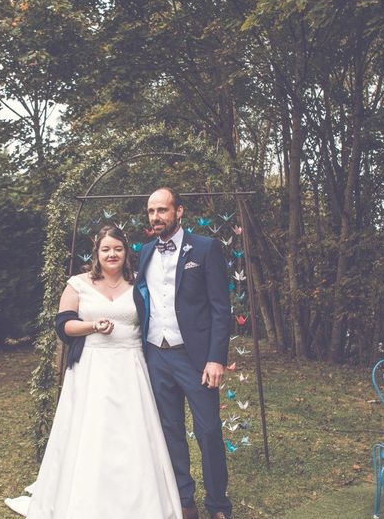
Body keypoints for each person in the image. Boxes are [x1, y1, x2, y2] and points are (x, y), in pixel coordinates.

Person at [6, 225, 181, 518]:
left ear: (126, 253)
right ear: (96, 253)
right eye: (106, 249)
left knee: (133, 432)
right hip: (92, 366)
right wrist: (92, 326)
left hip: (131, 367)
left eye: (118, 249)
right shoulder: (78, 284)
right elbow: (64, 325)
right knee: (92, 430)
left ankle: (140, 501)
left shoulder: (140, 283)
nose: (112, 254)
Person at [133, 187, 232, 519]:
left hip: (196, 359)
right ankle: (184, 500)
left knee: (208, 431)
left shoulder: (205, 248)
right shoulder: (145, 252)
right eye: (151, 211)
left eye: (162, 210)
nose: (156, 217)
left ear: (179, 211)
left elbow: (221, 307)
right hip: (156, 356)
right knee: (170, 430)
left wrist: (216, 357)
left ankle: (218, 504)